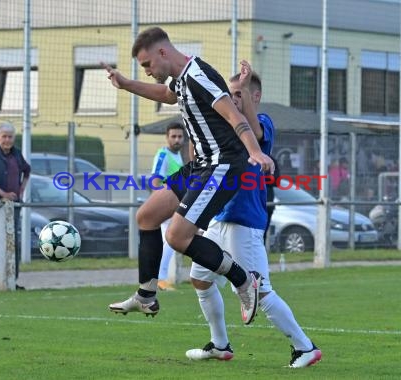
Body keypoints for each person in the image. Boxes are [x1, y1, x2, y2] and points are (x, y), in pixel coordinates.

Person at [105, 26, 274, 325]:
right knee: (146, 216)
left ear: (162, 52)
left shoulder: (198, 75)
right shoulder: (181, 78)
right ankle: (146, 295)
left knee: (177, 236)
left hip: (223, 164)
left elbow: (233, 116)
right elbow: (166, 95)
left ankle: (245, 281)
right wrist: (125, 83)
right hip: (201, 165)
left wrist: (255, 152)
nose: (146, 71)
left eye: (147, 65)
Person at [185, 61, 321, 368]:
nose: (231, 99)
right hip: (218, 219)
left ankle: (305, 347)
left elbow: (255, 132)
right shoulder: (224, 130)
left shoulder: (262, 123)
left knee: (261, 291)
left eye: (237, 94)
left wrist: (242, 89)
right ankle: (219, 345)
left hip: (243, 222)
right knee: (200, 279)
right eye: (229, 94)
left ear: (253, 96)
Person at [0, 123, 31, 292]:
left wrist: (20, 191)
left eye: (10, 137)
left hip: (13, 206)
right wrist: (2, 194)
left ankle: (11, 280)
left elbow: (27, 171)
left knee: (12, 243)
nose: (7, 140)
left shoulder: (16, 154)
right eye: (4, 136)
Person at [150, 122, 185, 291]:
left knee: (170, 241)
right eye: (174, 136)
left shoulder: (179, 156)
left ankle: (158, 278)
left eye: (179, 136)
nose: (177, 140)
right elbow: (155, 180)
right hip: (166, 205)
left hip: (176, 204)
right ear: (167, 138)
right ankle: (159, 278)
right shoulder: (163, 155)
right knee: (170, 241)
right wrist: (160, 203)